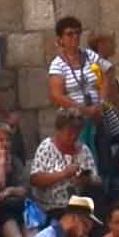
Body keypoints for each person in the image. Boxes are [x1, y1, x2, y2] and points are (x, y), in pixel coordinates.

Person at [46, 17, 115, 162]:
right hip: (74, 121)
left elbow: (107, 71)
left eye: (78, 33)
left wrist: (102, 103)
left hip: (98, 115)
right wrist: (85, 110)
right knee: (82, 158)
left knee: (104, 155)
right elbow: (56, 96)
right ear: (60, 39)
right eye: (70, 34)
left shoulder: (90, 56)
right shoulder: (57, 65)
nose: (75, 37)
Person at [30, 109, 103, 220]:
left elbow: (97, 179)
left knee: (97, 194)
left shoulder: (84, 150)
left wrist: (85, 179)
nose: (74, 136)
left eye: (77, 132)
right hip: (54, 206)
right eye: (69, 133)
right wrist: (63, 174)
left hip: (81, 202)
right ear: (58, 130)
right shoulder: (46, 147)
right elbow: (35, 179)